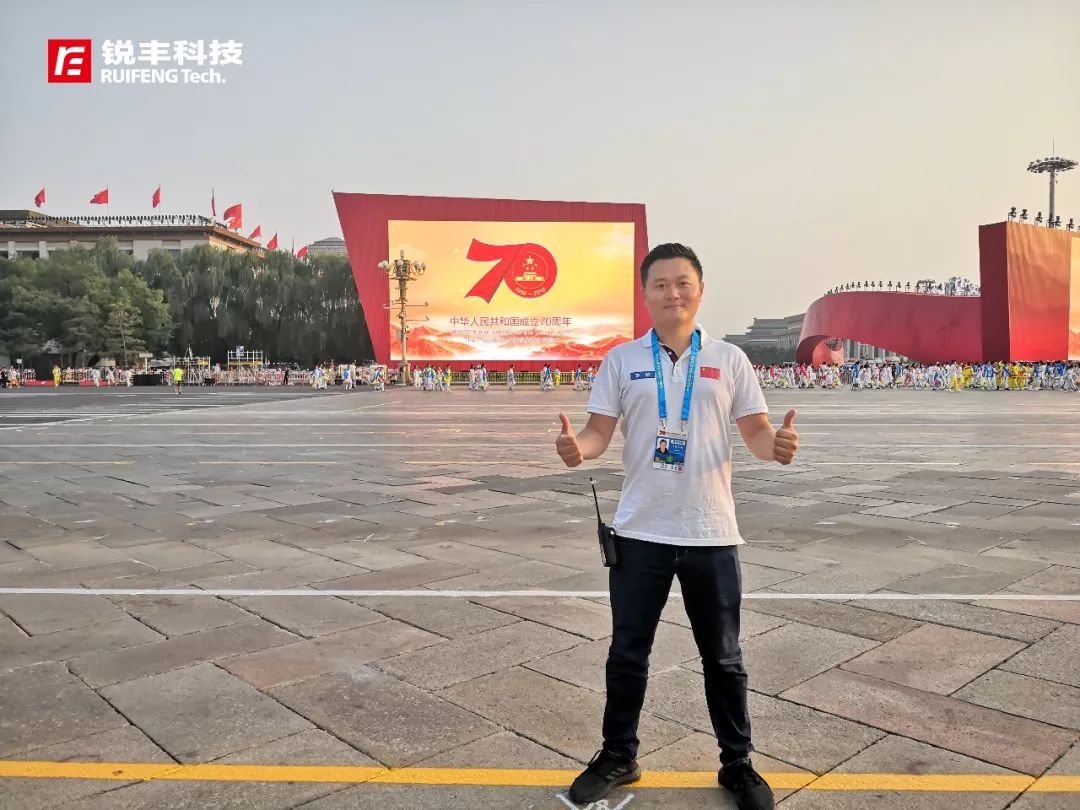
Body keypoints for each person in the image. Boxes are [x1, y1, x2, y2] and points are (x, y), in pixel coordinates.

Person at [555, 243, 798, 810]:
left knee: (724, 657)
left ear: (701, 290)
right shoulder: (621, 360)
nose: (673, 293)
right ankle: (619, 755)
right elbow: (598, 431)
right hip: (640, 530)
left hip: (711, 532)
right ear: (645, 294)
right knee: (627, 653)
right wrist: (578, 448)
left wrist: (776, 447)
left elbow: (756, 432)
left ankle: (737, 763)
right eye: (660, 284)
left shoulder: (730, 359)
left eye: (683, 282)